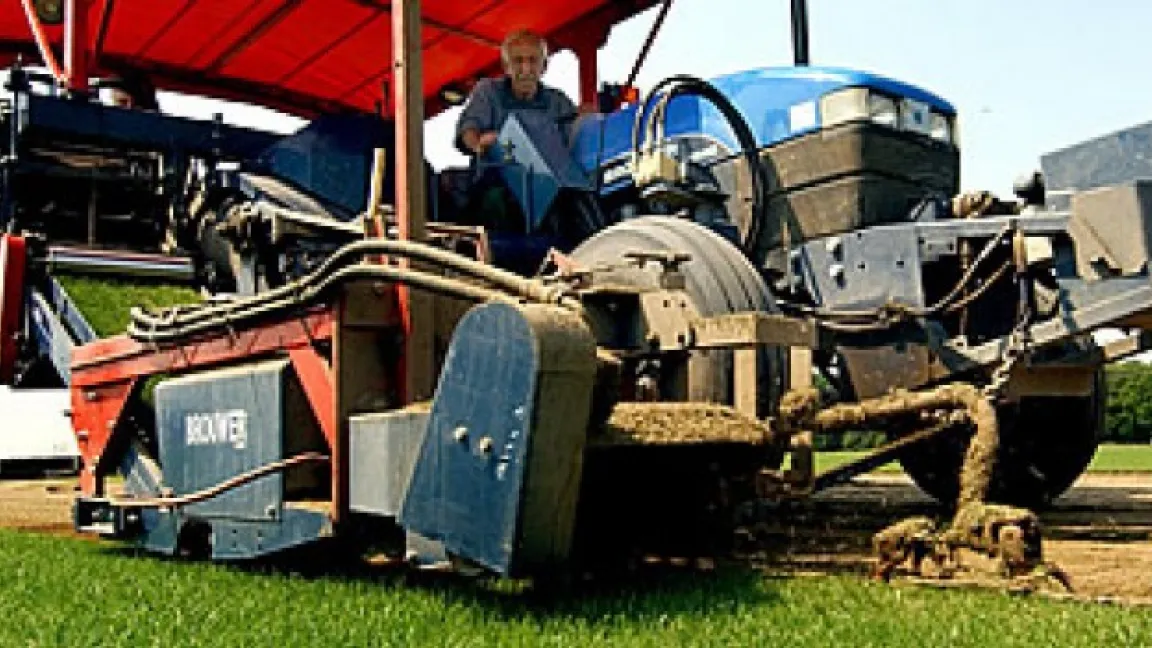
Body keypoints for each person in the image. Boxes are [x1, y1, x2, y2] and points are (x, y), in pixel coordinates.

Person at [454, 29, 578, 157]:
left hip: (547, 175)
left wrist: (585, 123)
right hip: (495, 172)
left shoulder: (559, 102)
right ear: (506, 66)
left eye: (533, 60)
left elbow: (576, 143)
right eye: (518, 61)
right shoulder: (488, 92)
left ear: (544, 66)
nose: (525, 69)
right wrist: (477, 144)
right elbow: (469, 127)